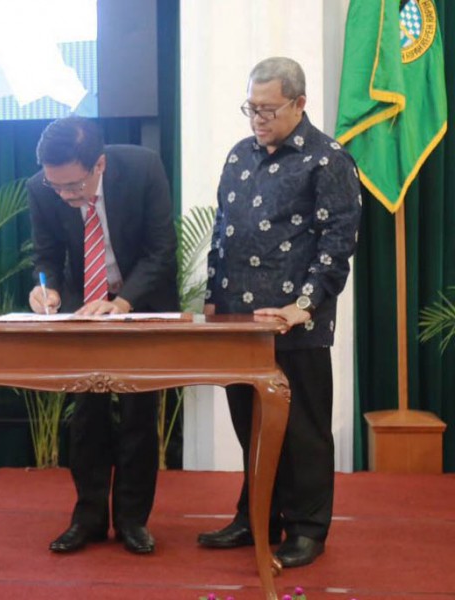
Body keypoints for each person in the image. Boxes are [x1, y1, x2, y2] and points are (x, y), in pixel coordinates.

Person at [197, 57, 361, 567]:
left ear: (299, 103)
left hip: (295, 322)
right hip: (237, 323)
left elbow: (337, 245)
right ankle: (257, 518)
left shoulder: (328, 160)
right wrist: (212, 297)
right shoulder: (238, 155)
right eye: (251, 108)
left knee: (302, 430)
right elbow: (222, 232)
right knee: (250, 425)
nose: (257, 119)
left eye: (268, 109)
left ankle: (308, 529)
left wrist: (302, 306)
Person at [27, 116, 179, 554]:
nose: (65, 195)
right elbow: (47, 255)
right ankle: (88, 518)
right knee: (87, 415)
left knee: (138, 413)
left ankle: (133, 521)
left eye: (74, 186)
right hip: (85, 309)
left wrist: (123, 303)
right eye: (57, 186)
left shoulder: (143, 168)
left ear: (99, 164)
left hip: (140, 302)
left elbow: (161, 250)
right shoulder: (41, 187)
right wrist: (47, 288)